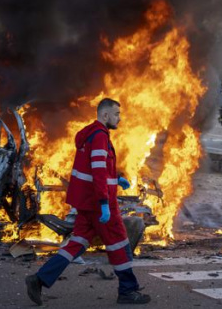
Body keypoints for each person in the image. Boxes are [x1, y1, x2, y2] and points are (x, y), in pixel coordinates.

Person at [25, 98, 150, 305]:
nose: (120, 117)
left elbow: (96, 169)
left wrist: (115, 179)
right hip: (99, 205)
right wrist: (104, 203)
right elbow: (98, 171)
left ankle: (39, 279)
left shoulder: (90, 134)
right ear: (105, 115)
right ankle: (128, 290)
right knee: (119, 243)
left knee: (77, 243)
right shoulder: (100, 137)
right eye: (117, 114)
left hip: (86, 203)